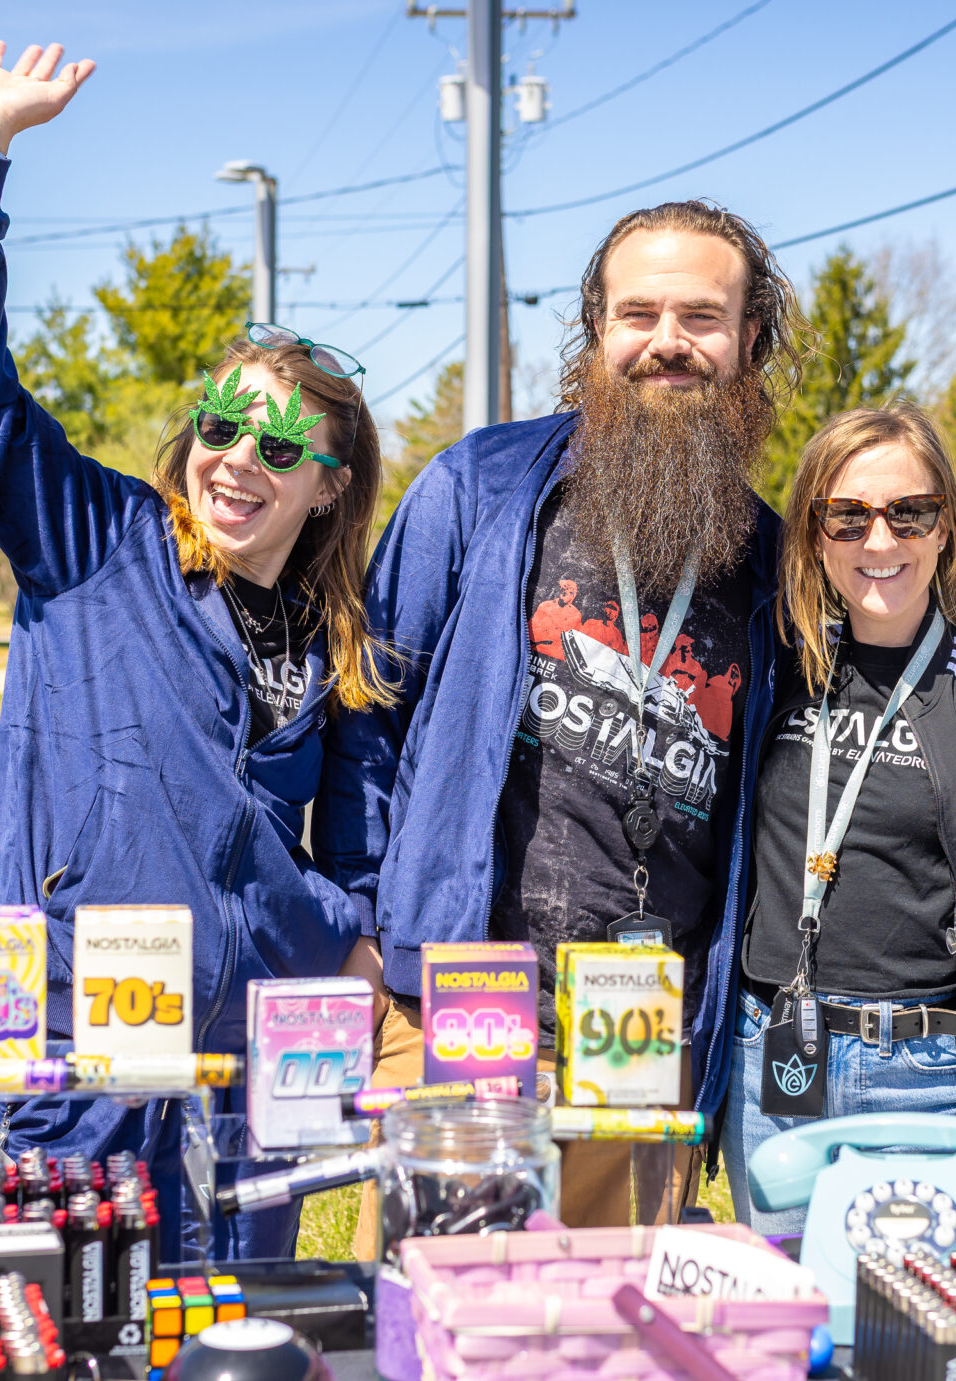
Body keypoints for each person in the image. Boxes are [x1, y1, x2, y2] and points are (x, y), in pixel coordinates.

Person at [0, 42, 387, 1258]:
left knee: (228, 1336)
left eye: (280, 448)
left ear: (328, 486)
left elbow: (357, 836)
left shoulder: (336, 635)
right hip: (79, 1039)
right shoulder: (95, 540)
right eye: (221, 426)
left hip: (250, 1066)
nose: (238, 461)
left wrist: (339, 932)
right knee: (38, 1314)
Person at [319, 200, 807, 1233]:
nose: (668, 342)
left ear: (748, 338)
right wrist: (362, 921)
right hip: (460, 1003)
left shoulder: (775, 561)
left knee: (611, 1323)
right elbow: (366, 718)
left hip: (647, 1036)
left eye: (702, 317)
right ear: (596, 329)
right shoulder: (480, 488)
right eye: (638, 314)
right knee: (428, 1307)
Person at [719, 403, 956, 1236]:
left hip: (924, 1079)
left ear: (945, 529)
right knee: (783, 1306)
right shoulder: (771, 671)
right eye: (847, 517)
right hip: (771, 1060)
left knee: (911, 1315)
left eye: (909, 513)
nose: (879, 540)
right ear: (814, 536)